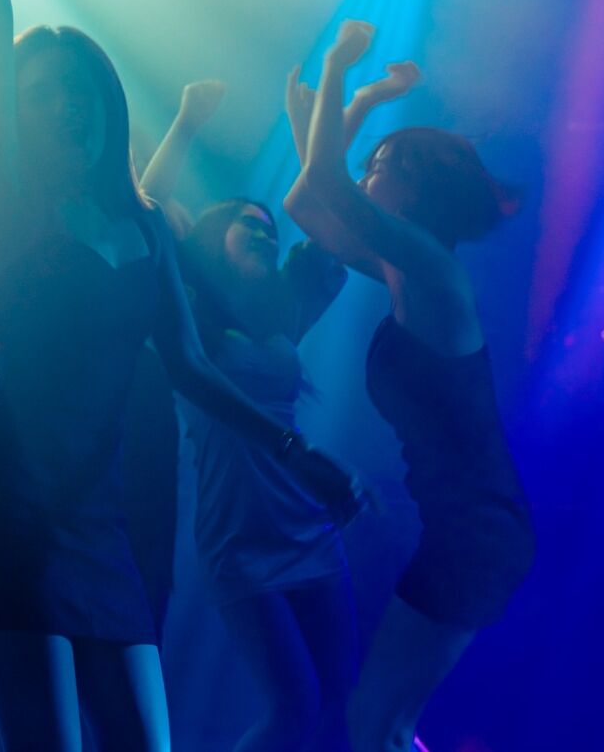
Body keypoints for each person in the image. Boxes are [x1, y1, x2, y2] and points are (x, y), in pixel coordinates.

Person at [0, 0, 360, 751]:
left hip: (102, 516)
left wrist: (303, 457)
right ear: (16, 118)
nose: (62, 103)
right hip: (10, 501)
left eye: (78, 88)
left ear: (105, 104)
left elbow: (194, 369)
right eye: (40, 93)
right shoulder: (16, 207)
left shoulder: (144, 223)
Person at [140, 68, 413, 752]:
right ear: (212, 240)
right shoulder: (191, 321)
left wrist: (341, 111)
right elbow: (146, 204)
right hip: (237, 532)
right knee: (291, 708)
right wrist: (187, 122)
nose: (264, 233)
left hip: (306, 519)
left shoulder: (283, 318)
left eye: (268, 229)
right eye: (247, 225)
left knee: (337, 703)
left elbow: (325, 209)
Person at [283, 21, 534, 752]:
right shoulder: (405, 270)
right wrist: (357, 98)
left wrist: (338, 69)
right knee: (380, 724)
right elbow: (308, 200)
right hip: (467, 529)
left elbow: (328, 178)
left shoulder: (432, 273)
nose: (367, 175)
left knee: (376, 725)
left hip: (478, 532)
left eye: (383, 164)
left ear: (420, 188)